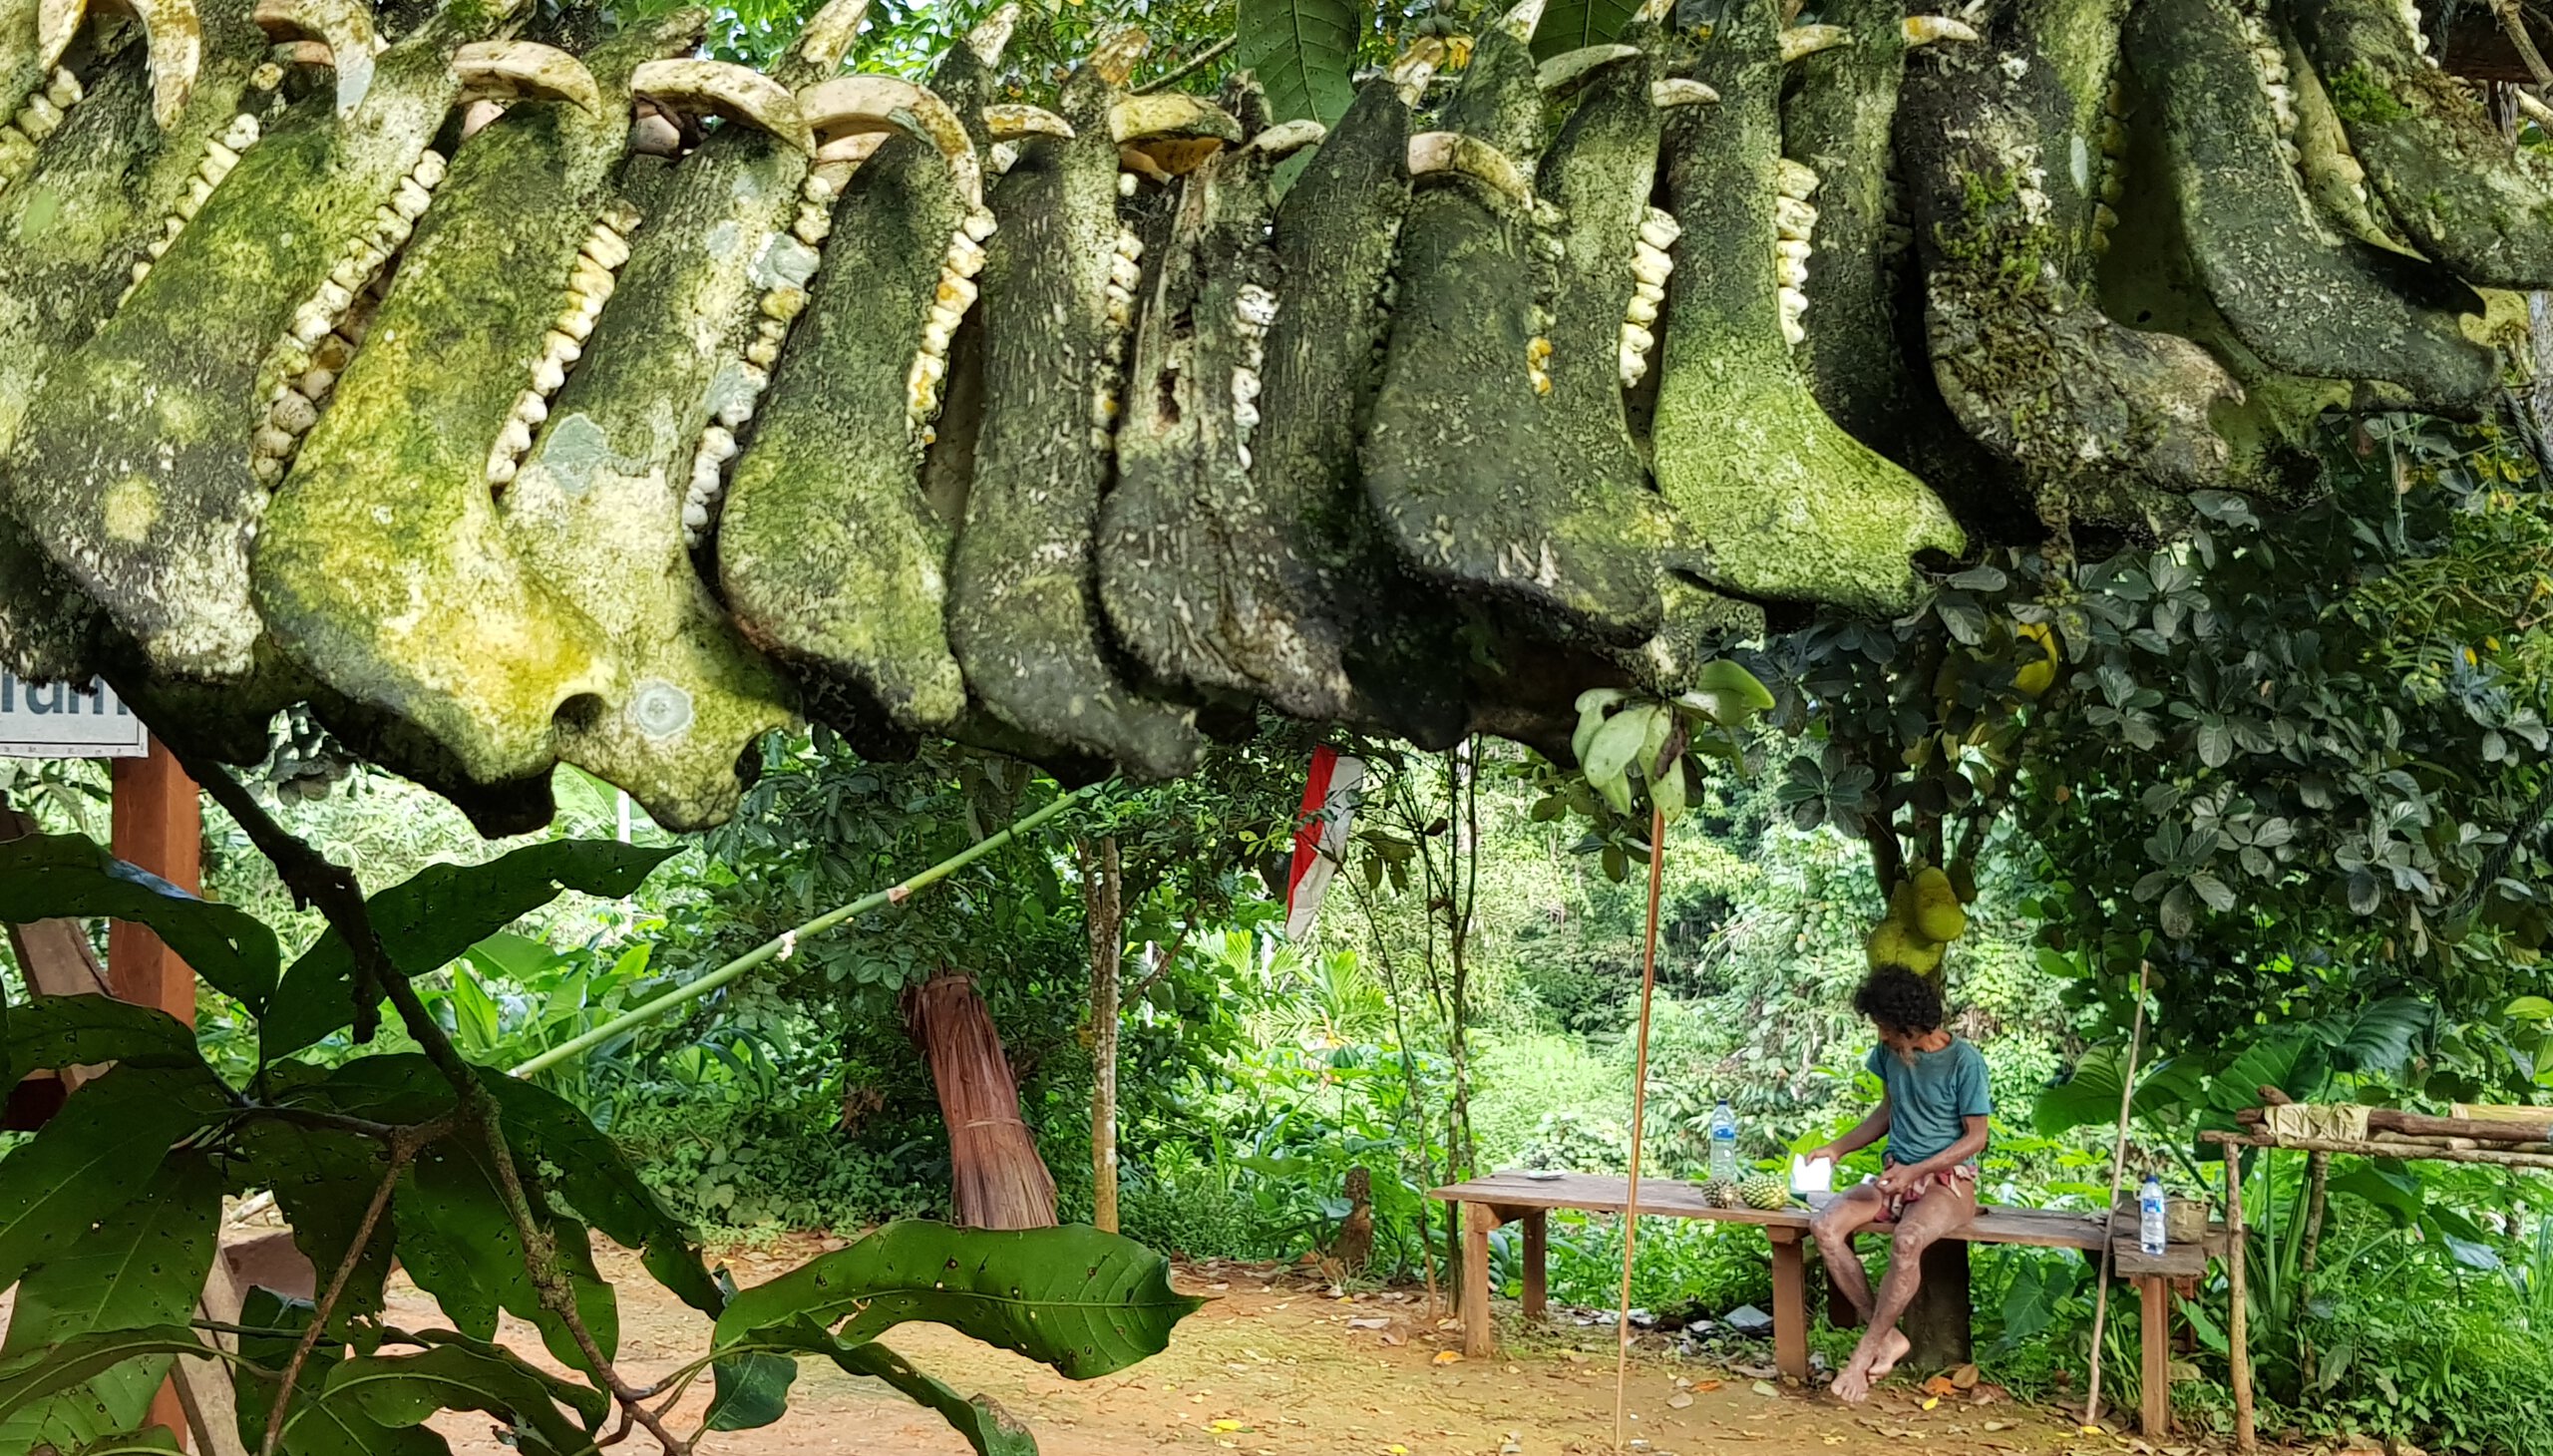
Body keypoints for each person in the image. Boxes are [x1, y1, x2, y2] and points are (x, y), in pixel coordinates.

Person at [1799, 966, 1992, 1403]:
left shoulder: (1965, 1062)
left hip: (1948, 1185)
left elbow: (1975, 1137)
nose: (1882, 1036)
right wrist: (1838, 1148)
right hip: (1894, 1177)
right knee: (1825, 1227)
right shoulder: (1890, 1055)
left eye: (1887, 1028)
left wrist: (1919, 1170)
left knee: (1906, 1241)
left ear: (1911, 1025)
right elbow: (1887, 1112)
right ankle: (1887, 1338)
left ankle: (1864, 1353)